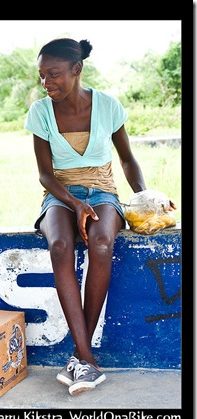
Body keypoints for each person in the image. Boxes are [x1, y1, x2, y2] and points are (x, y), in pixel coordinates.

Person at [24, 38, 175, 396]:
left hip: (103, 190)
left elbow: (126, 159)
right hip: (59, 195)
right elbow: (45, 174)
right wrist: (75, 205)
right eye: (42, 76)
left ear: (77, 70)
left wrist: (143, 197)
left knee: (102, 242)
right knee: (60, 245)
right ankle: (88, 359)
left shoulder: (107, 106)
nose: (48, 83)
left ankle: (80, 355)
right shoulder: (41, 111)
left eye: (55, 74)